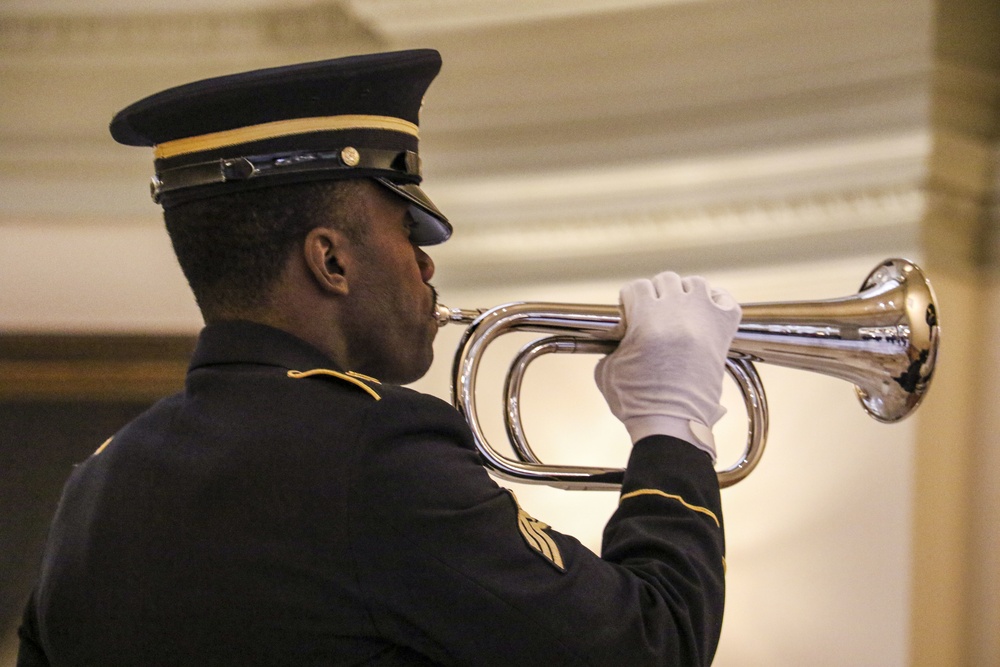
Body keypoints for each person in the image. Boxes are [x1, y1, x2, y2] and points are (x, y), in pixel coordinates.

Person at [17, 49, 741, 666]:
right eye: (408, 233)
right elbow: (652, 641)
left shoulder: (99, 483)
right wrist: (672, 427)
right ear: (330, 259)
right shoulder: (375, 449)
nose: (427, 268)